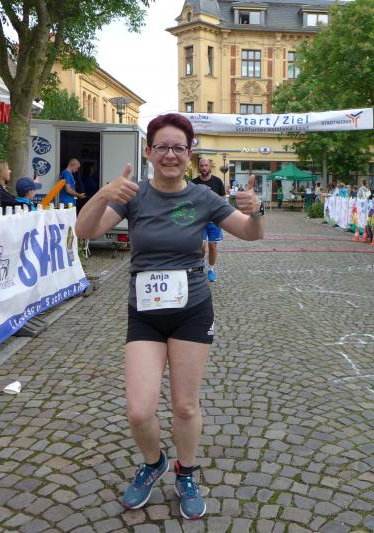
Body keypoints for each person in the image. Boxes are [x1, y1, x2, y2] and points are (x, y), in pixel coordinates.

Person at [74, 113, 264, 520]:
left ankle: (186, 472)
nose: (171, 155)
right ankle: (154, 461)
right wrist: (104, 193)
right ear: (149, 151)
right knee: (139, 411)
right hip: (145, 314)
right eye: (162, 147)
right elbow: (85, 231)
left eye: (179, 147)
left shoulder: (203, 197)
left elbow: (250, 233)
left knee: (185, 407)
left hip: (191, 312)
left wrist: (257, 211)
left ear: (190, 153)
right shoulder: (133, 195)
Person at [194, 158, 227, 282]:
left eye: (206, 165)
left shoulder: (217, 181)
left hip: (214, 221)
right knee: (201, 246)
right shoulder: (193, 183)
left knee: (212, 246)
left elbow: (223, 201)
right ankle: (200, 264)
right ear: (199, 167)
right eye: (201, 165)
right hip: (200, 221)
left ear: (210, 167)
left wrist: (221, 216)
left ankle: (211, 270)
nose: (204, 168)